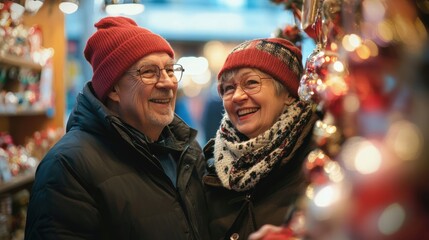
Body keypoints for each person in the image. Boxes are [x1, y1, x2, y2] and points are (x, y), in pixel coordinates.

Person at [24, 16, 210, 240]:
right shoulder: (67, 167)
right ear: (113, 89)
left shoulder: (187, 152)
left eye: (170, 70)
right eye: (149, 72)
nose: (168, 82)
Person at [202, 38, 320, 240]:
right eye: (228, 88)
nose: (237, 96)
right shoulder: (212, 165)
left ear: (288, 94)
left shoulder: (317, 158)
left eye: (251, 83)